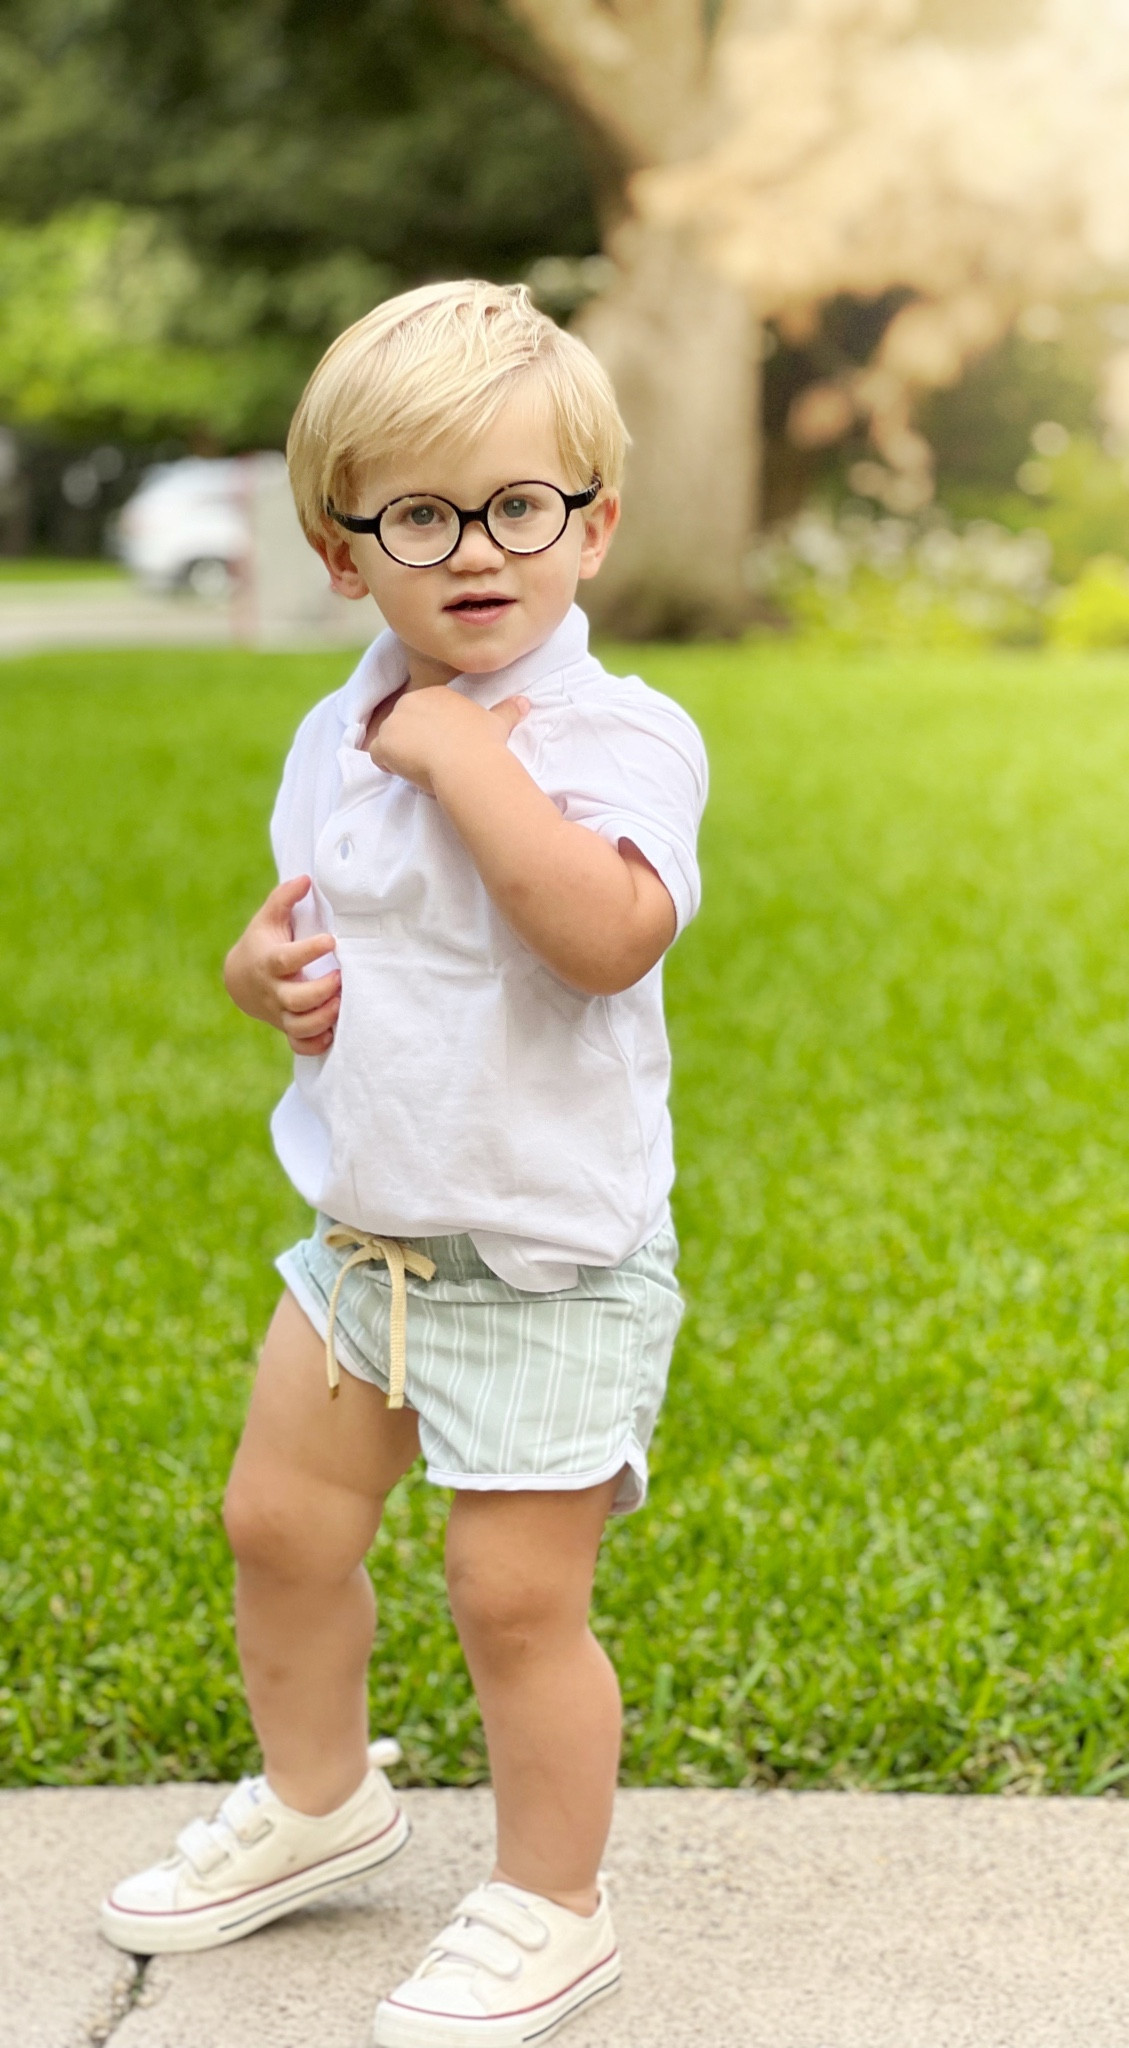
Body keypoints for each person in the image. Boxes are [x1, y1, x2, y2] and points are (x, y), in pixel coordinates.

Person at [99, 279, 707, 2048]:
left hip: (542, 1259)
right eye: (420, 515)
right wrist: (260, 974)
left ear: (591, 526)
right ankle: (318, 1799)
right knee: (276, 1525)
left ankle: (549, 1902)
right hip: (362, 1244)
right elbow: (320, 923)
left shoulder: (617, 737)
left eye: (520, 507)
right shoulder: (338, 731)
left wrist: (464, 761)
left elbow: (606, 937)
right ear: (343, 549)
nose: (476, 551)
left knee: (514, 1598)